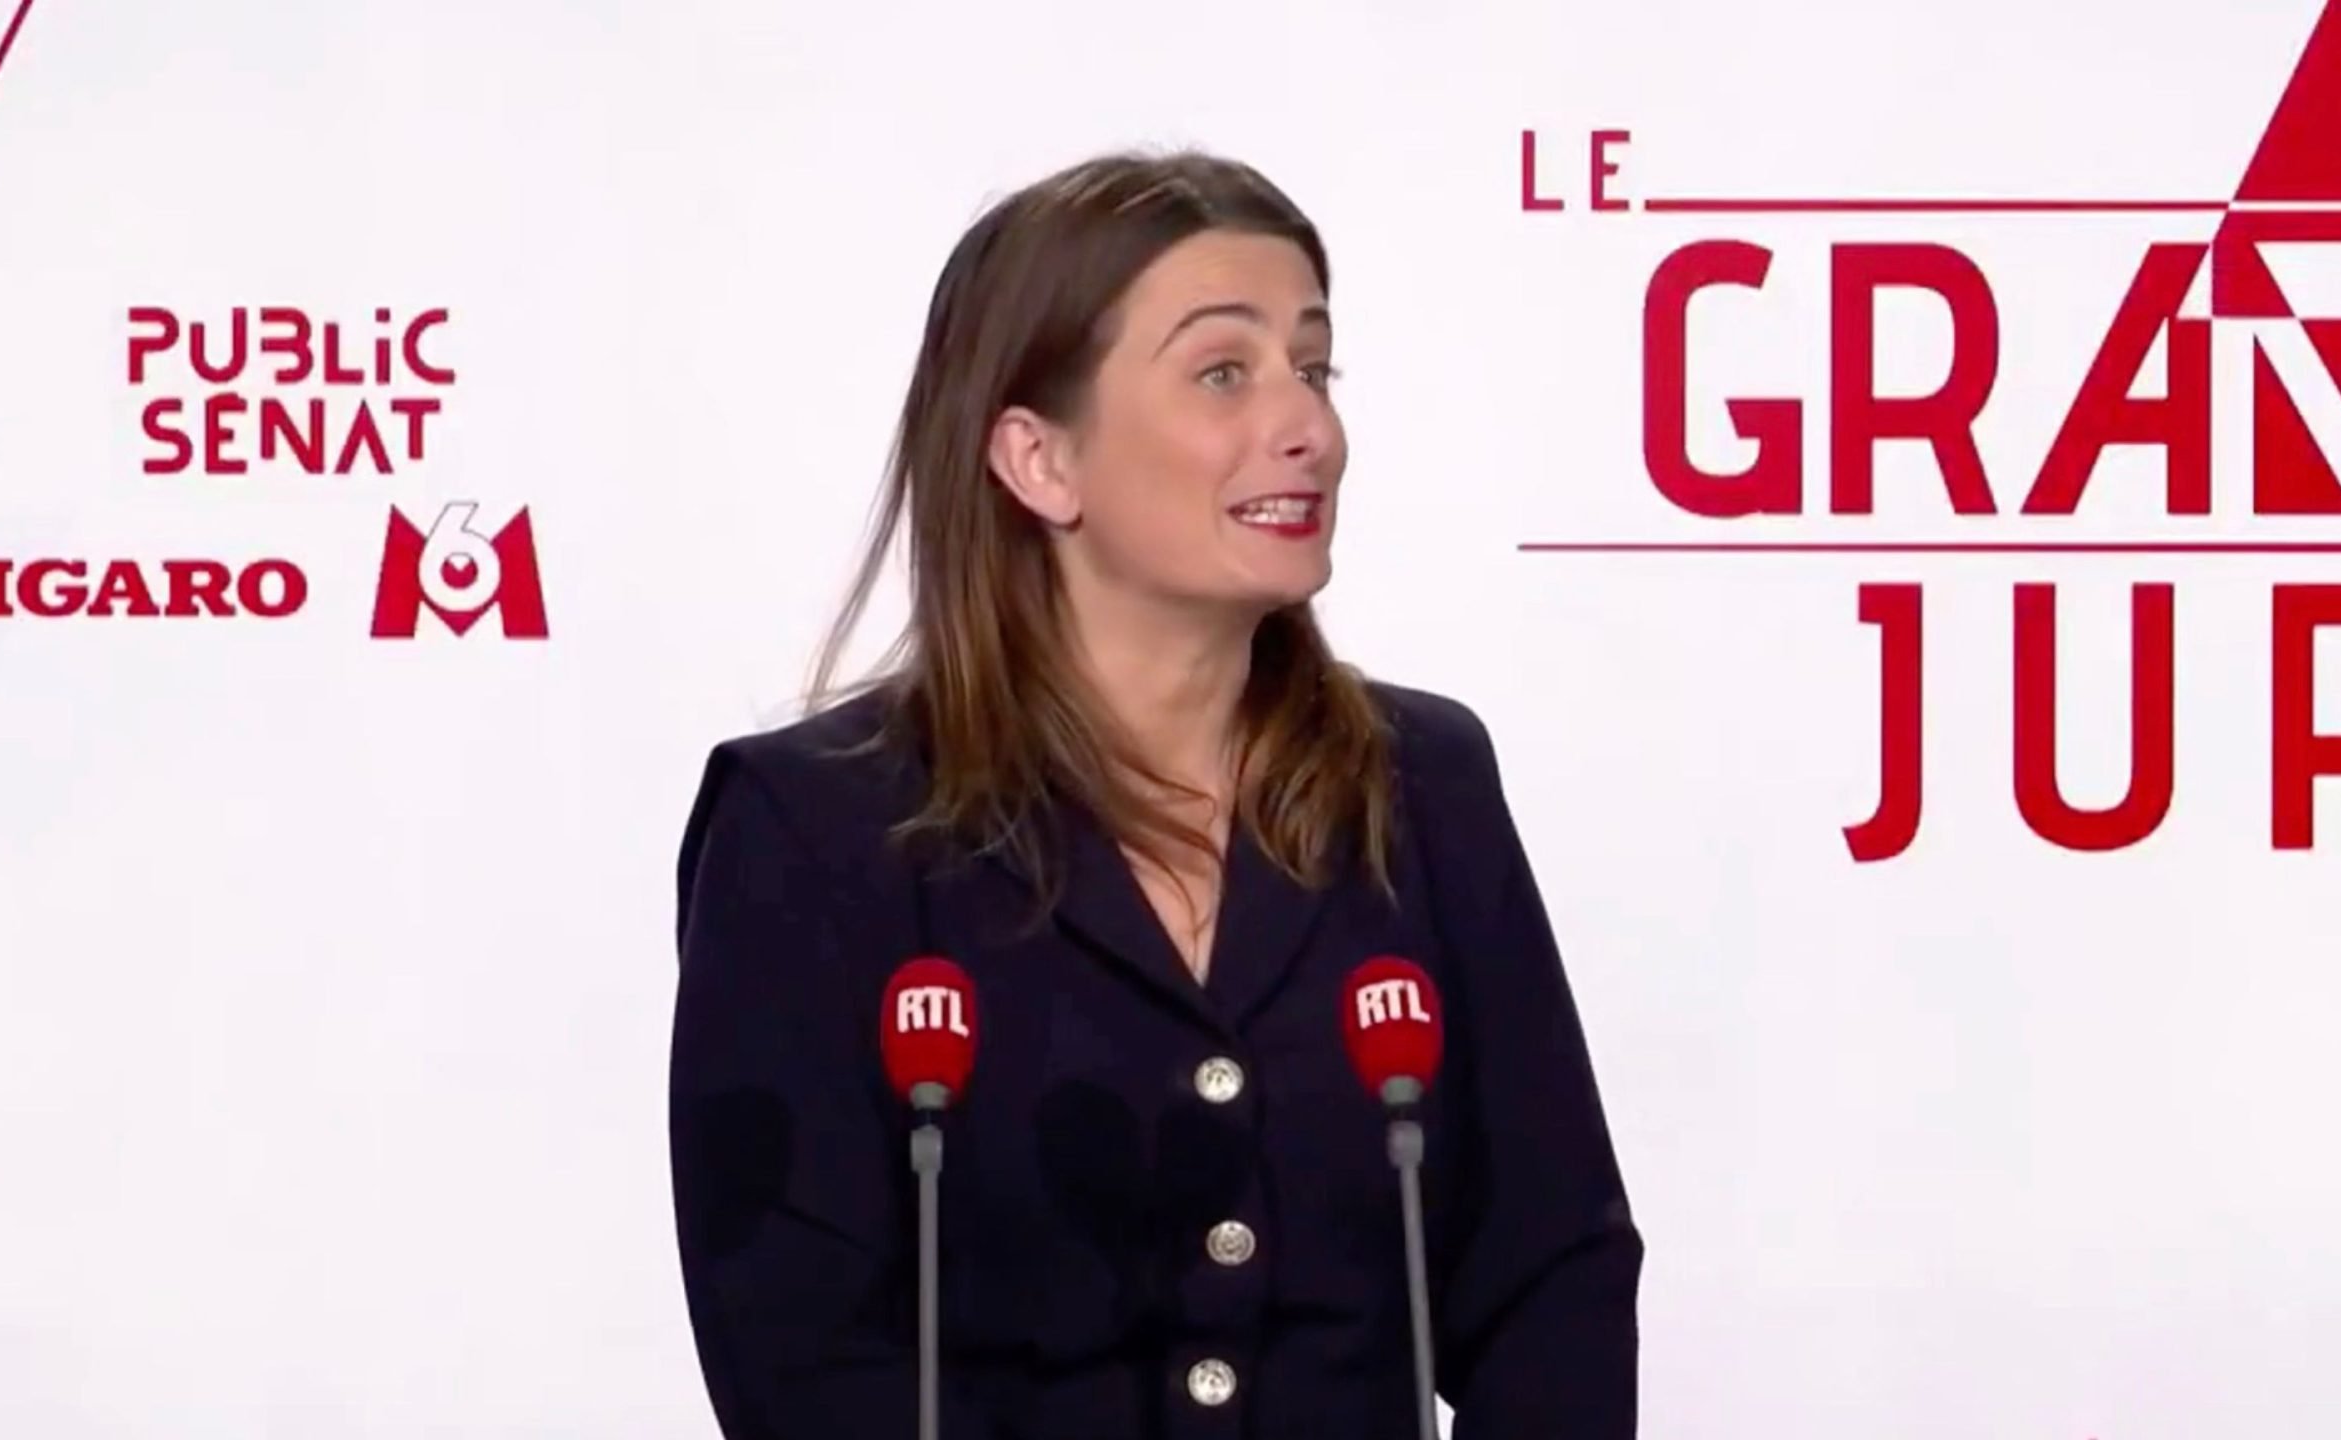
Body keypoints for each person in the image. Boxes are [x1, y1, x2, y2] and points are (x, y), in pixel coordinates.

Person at [668, 148, 1641, 1439]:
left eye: (1315, 366)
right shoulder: (813, 833)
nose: (1308, 427)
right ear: (1037, 460)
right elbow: (799, 1357)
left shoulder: (1423, 785)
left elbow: (1551, 1280)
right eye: (1224, 372)